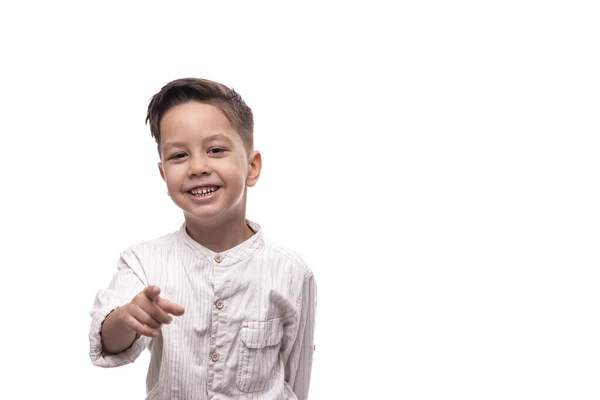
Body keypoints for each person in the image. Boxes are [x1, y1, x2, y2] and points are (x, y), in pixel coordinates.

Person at [88, 77, 317, 399]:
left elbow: (297, 374)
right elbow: (108, 342)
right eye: (179, 156)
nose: (197, 167)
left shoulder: (290, 269)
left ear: (252, 167)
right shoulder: (143, 261)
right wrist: (127, 317)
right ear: (164, 174)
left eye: (215, 150)